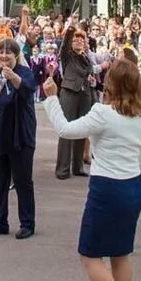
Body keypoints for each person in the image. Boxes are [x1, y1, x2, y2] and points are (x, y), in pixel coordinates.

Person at [41, 58, 141, 281]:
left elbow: (66, 130)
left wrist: (52, 99)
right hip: (131, 186)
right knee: (120, 253)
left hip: (107, 188)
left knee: (90, 255)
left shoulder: (103, 113)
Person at [0, 38, 37, 239]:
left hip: (19, 135)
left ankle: (27, 223)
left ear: (16, 55)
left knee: (22, 181)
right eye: (0, 53)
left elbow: (28, 90)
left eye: (8, 53)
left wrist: (14, 78)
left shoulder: (24, 72)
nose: (3, 56)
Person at [54, 19, 97, 180]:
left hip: (85, 94)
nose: (79, 41)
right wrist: (71, 29)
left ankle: (77, 166)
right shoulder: (67, 56)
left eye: (82, 39)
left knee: (81, 130)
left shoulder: (86, 57)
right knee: (66, 130)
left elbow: (89, 73)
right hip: (70, 93)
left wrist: (91, 79)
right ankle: (62, 169)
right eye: (75, 39)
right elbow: (64, 45)